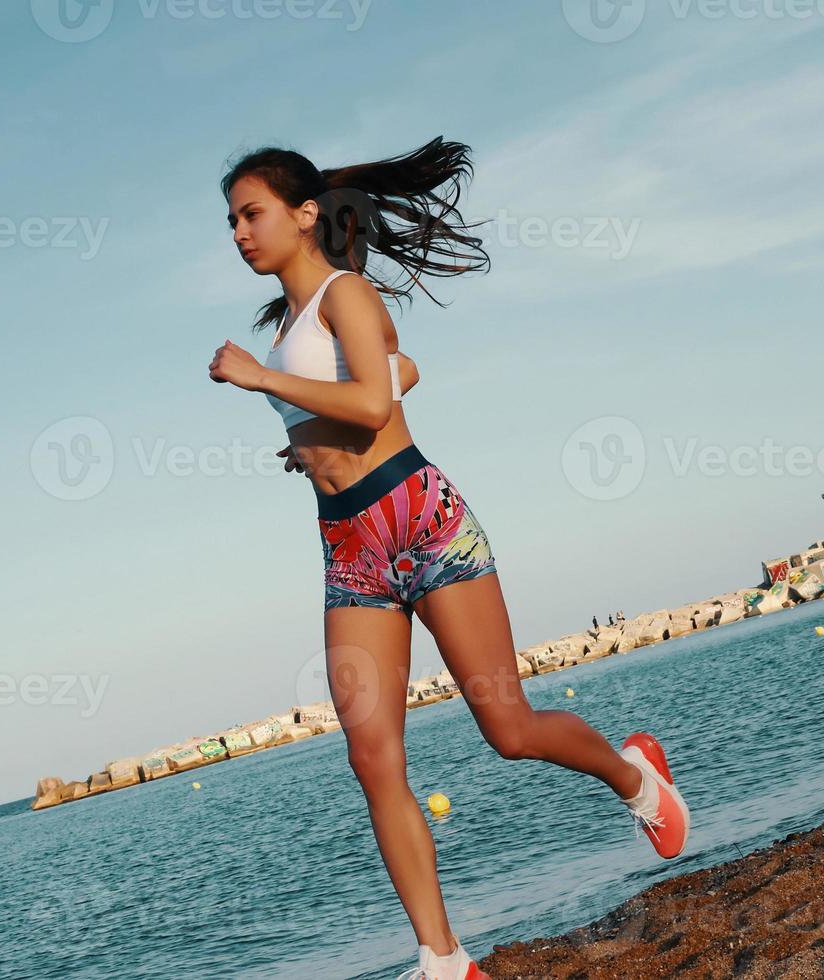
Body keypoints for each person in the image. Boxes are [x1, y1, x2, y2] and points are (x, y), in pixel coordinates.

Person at [209, 138, 689, 980]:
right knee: (371, 758)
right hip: (348, 546)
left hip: (423, 522)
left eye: (251, 214)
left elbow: (369, 398)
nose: (240, 233)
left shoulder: (343, 293)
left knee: (507, 729)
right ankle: (443, 959)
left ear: (304, 212)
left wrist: (263, 385)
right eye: (232, 222)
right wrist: (308, 443)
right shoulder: (285, 328)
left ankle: (636, 777)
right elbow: (388, 382)